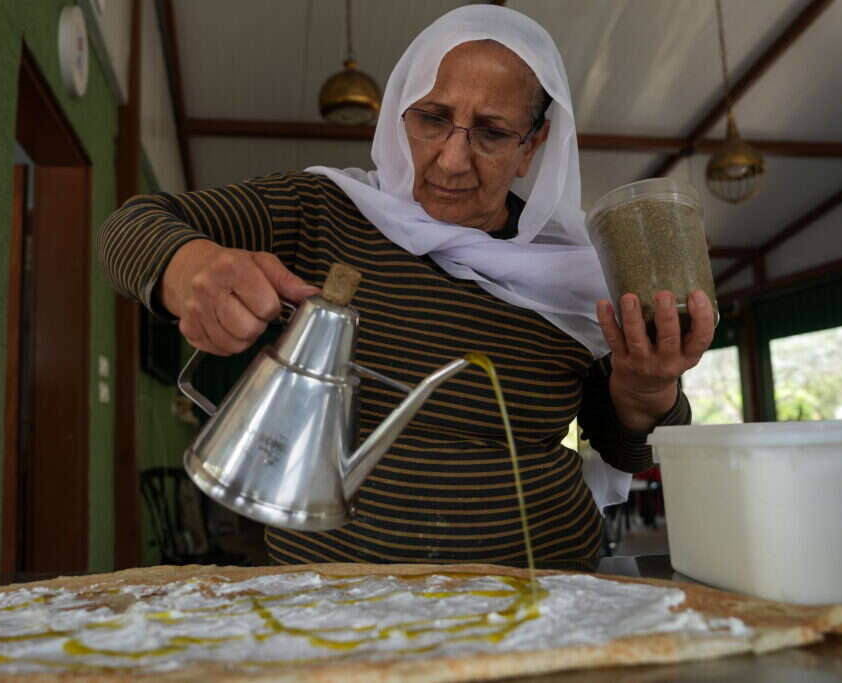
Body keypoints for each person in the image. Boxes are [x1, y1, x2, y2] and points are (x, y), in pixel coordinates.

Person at [98, 5, 714, 565]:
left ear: (532, 147)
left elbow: (629, 452)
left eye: (492, 132)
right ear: (400, 111)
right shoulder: (323, 209)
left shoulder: (574, 274)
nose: (451, 159)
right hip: (335, 602)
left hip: (540, 593)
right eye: (432, 119)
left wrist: (645, 390)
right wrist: (188, 268)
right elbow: (128, 227)